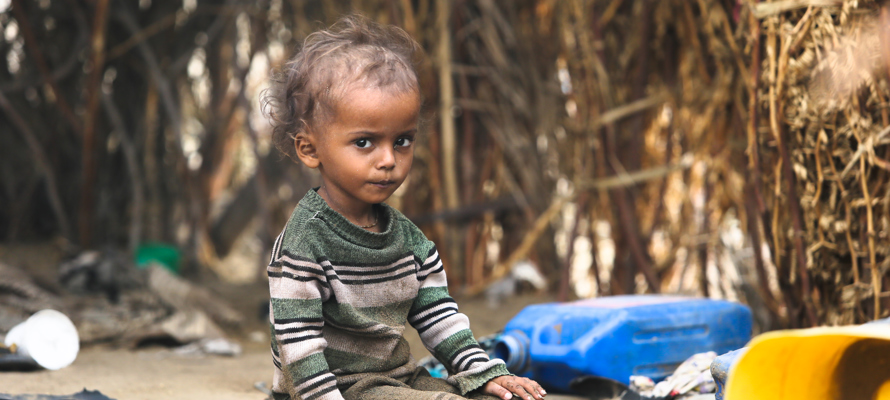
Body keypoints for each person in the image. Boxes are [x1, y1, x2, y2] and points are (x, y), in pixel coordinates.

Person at [261, 14, 546, 400]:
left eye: (402, 141)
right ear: (310, 149)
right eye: (364, 142)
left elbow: (438, 316)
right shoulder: (304, 242)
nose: (388, 160)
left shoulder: (408, 238)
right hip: (334, 388)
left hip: (397, 380)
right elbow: (298, 346)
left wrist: (485, 372)